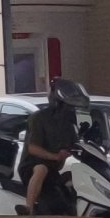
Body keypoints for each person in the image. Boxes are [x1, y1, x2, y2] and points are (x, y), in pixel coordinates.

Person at [24, 78, 85, 210]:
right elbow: (32, 148)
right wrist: (55, 156)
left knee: (76, 176)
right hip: (31, 166)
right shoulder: (39, 118)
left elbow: (75, 145)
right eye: (67, 106)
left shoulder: (68, 124)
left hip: (54, 169)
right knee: (41, 169)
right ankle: (28, 208)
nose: (70, 109)